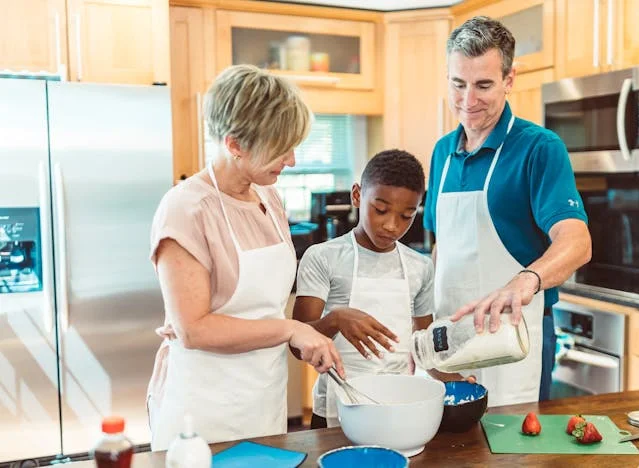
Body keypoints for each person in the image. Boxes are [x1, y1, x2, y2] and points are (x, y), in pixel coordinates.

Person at [146, 64, 344, 450]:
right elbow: (194, 329)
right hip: (202, 412)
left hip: (263, 400)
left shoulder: (269, 196)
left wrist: (301, 333)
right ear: (235, 144)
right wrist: (290, 329)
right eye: (281, 148)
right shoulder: (186, 208)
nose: (292, 161)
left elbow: (264, 310)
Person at [424, 16, 592, 407]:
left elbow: (577, 241)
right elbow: (441, 249)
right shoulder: (442, 152)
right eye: (458, 84)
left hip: (516, 338)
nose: (468, 101)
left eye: (483, 85)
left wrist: (526, 280)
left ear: (509, 79)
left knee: (512, 438)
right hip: (452, 338)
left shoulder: (539, 148)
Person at [293, 150, 467, 429]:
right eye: (381, 210)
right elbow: (296, 345)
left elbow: (424, 348)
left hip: (398, 407)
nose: (391, 226)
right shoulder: (323, 257)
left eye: (407, 215)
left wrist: (454, 379)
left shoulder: (420, 267)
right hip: (337, 409)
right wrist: (336, 319)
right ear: (357, 196)